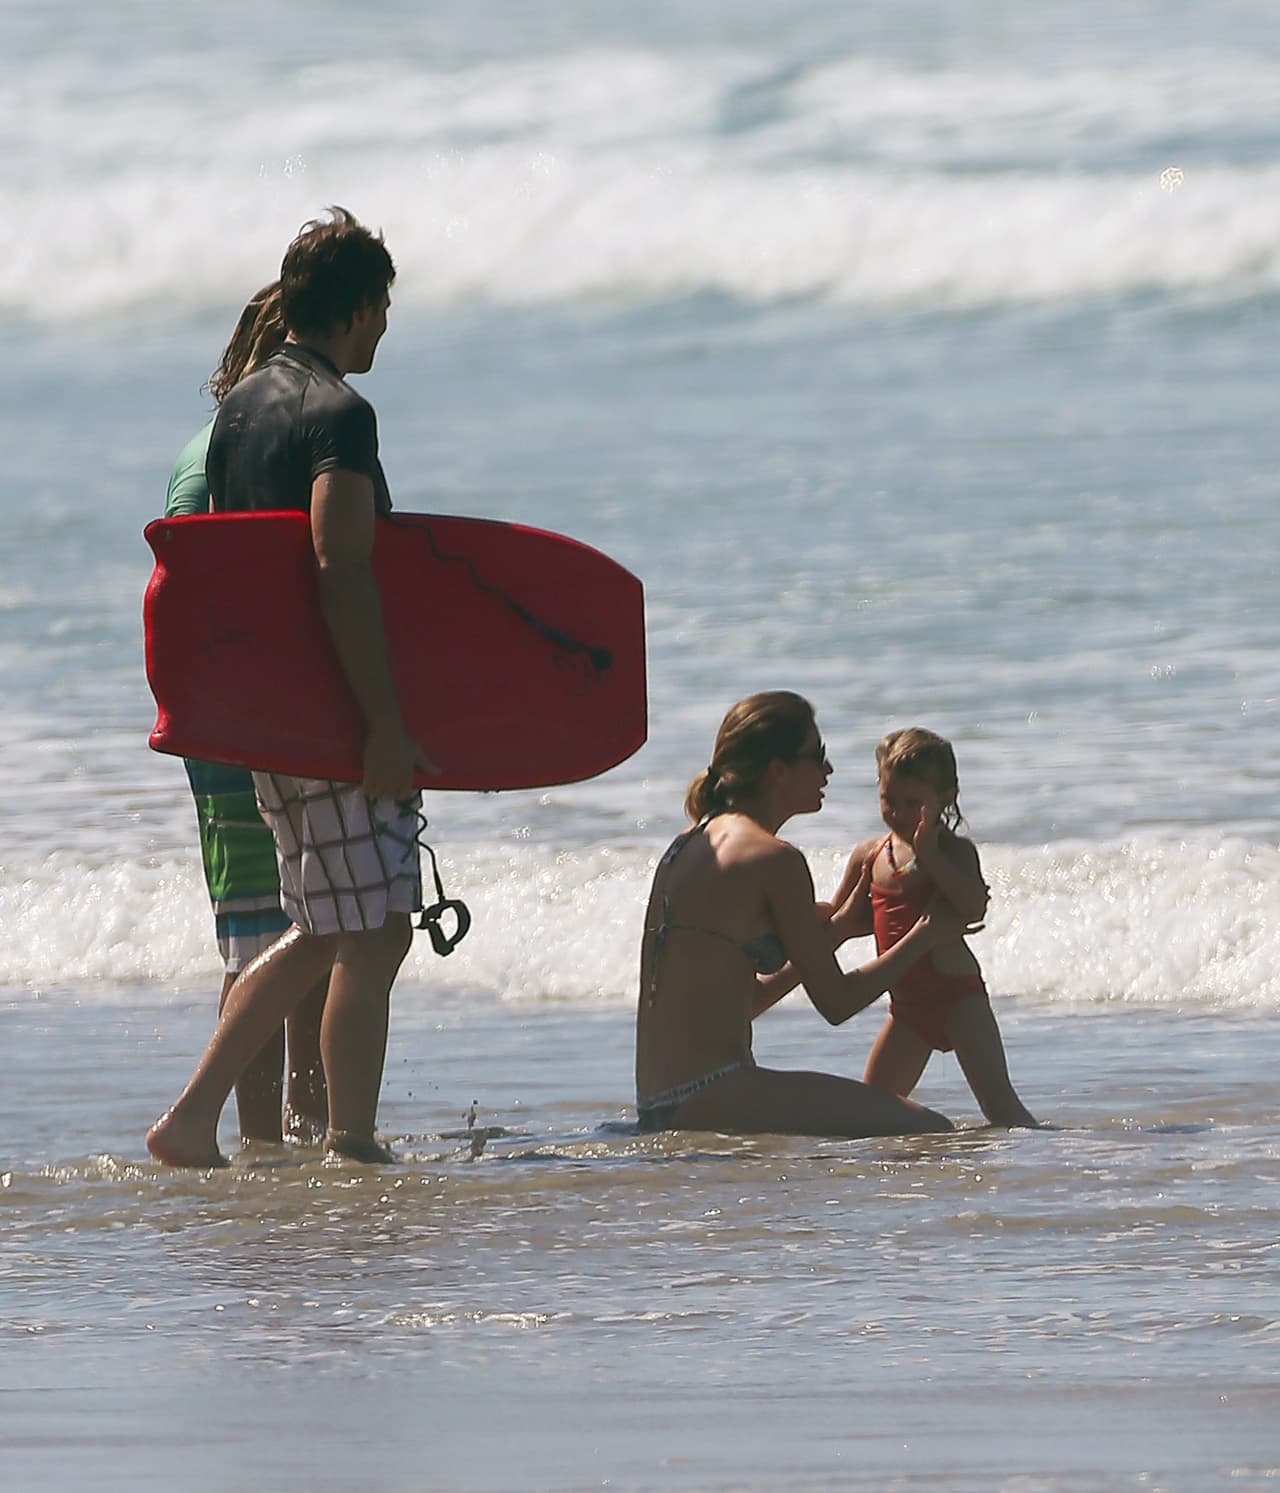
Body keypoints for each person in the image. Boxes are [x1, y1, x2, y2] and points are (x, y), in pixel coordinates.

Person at [147, 206, 438, 1168]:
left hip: (265, 717)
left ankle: (194, 1116)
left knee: (321, 927)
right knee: (374, 932)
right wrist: (384, 722)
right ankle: (350, 1140)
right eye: (382, 307)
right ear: (355, 309)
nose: (386, 326)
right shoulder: (338, 413)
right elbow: (338, 568)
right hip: (331, 714)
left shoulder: (238, 411)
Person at [635, 691, 968, 1138]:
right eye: (817, 754)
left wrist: (839, 930)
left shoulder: (687, 844)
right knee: (931, 1129)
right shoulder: (775, 859)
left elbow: (743, 1003)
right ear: (777, 770)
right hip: (714, 1092)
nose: (828, 769)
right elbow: (838, 1003)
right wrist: (926, 934)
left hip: (660, 1103)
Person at [165, 281, 329, 1146]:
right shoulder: (226, 453)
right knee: (270, 935)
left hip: (238, 714)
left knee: (293, 925)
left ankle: (293, 1131)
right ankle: (264, 1139)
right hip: (247, 720)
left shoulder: (221, 446)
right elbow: (209, 585)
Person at [828, 727, 1037, 1127]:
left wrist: (931, 856)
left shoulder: (955, 851)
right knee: (871, 1113)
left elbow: (973, 907)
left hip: (959, 998)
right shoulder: (871, 854)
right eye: (888, 799)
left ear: (944, 797)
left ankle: (1061, 1151)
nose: (898, 813)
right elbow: (836, 918)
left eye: (913, 803)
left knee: (1002, 1109)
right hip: (907, 1010)